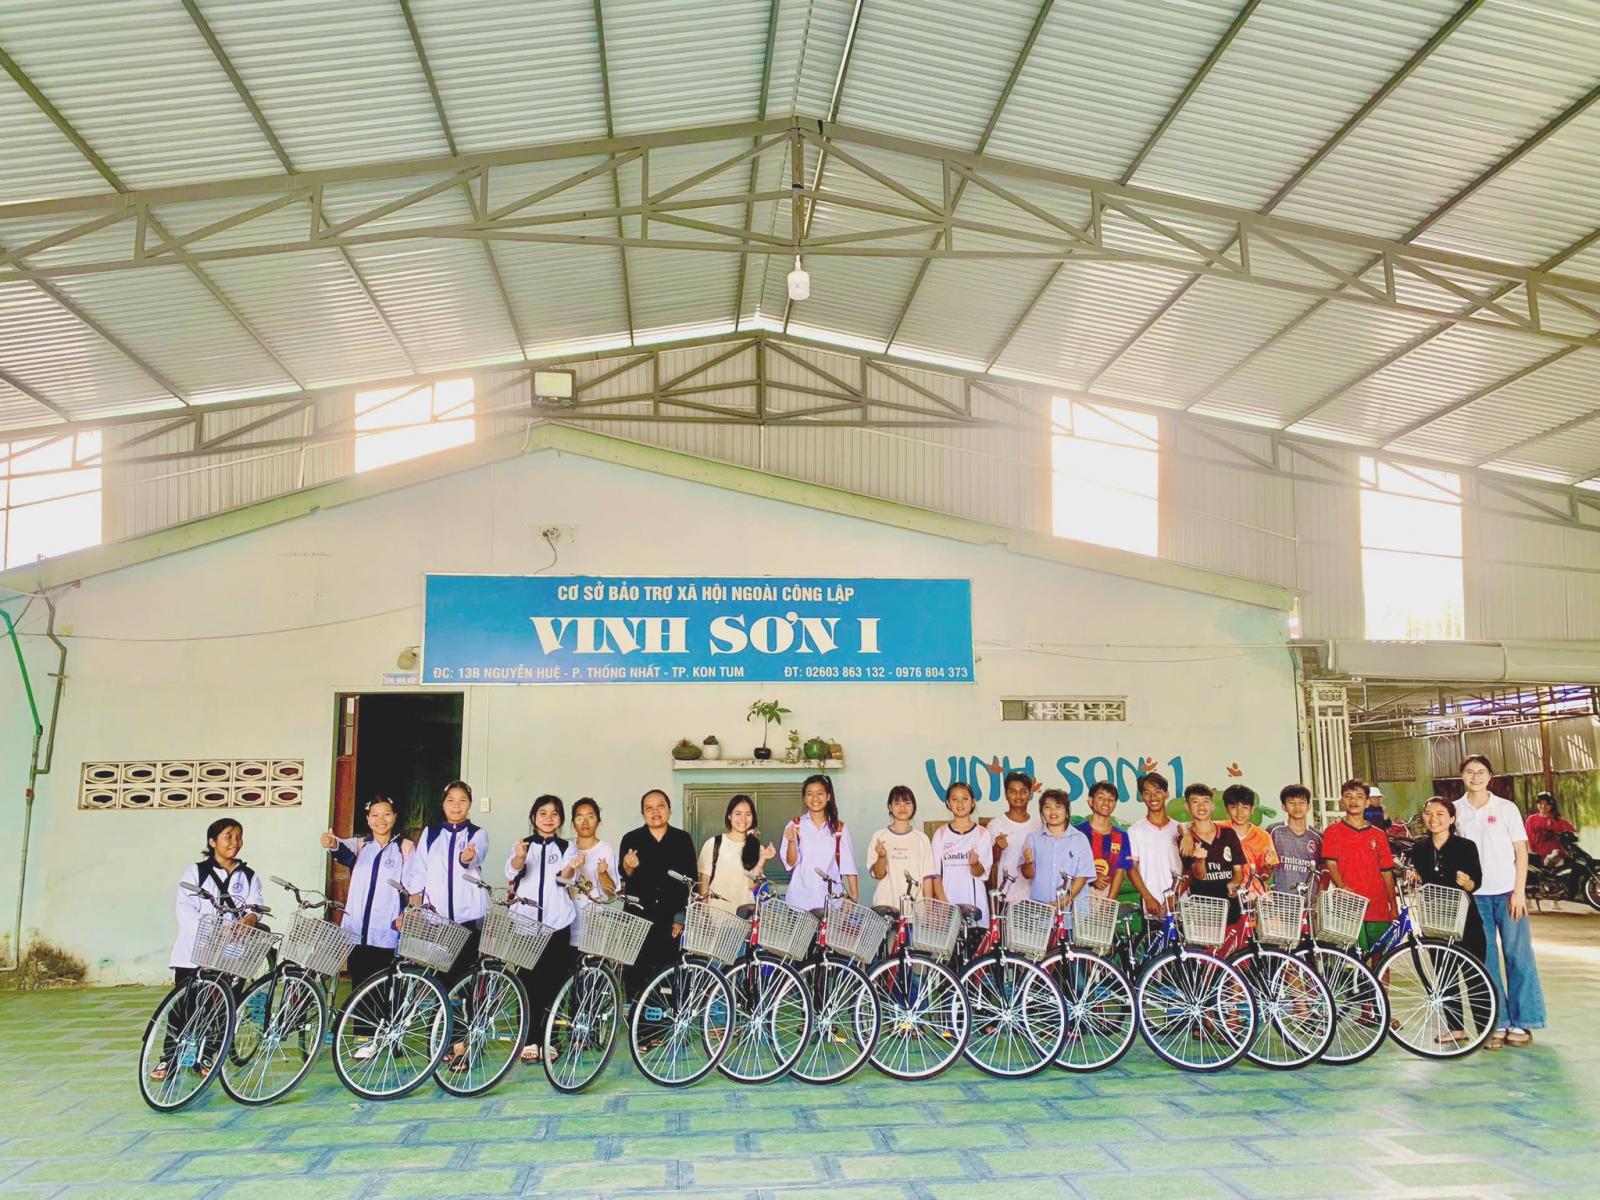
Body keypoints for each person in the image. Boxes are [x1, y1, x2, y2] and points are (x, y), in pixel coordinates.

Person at [155, 818, 263, 1081]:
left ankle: (207, 1055)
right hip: (195, 952)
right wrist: (214, 931)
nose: (234, 842)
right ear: (212, 842)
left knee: (221, 1007)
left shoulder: (248, 876)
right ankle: (169, 1058)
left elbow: (255, 905)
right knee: (183, 1007)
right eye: (228, 836)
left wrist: (250, 918)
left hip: (231, 953)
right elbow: (185, 910)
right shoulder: (196, 872)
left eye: (238, 836)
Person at [1453, 755, 1545, 1049]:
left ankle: (1524, 1021)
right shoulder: (1456, 811)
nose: (1475, 777)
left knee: (1519, 957)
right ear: (1462, 776)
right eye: (1470, 772)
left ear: (1490, 777)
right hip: (1474, 897)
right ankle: (1497, 1021)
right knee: (1485, 961)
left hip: (1507, 894)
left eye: (1481, 772)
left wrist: (1519, 891)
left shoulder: (1506, 808)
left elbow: (1521, 852)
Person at [1410, 795, 1491, 1044]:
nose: (1433, 818)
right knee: (1444, 976)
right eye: (1428, 813)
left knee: (1474, 975)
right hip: (1435, 921)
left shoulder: (1466, 847)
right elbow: (1420, 875)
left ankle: (1485, 1030)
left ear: (1452, 819)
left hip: (1466, 920)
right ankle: (1456, 1028)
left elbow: (1476, 881)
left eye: (1440, 814)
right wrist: (1414, 875)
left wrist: (1468, 883)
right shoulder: (1419, 847)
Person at [506, 795, 581, 1064]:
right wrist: (519, 857)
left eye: (554, 813)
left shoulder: (566, 846)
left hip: (557, 923)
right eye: (543, 813)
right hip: (525, 923)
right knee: (527, 982)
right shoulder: (523, 845)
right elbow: (513, 872)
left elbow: (564, 880)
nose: (549, 818)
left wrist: (571, 867)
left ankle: (551, 1040)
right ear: (533, 817)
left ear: (560, 819)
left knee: (553, 984)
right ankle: (528, 1039)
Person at [401, 779, 489, 988]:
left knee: (466, 977)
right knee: (436, 978)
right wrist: (414, 905)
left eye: (462, 800)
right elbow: (419, 870)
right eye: (451, 800)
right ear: (443, 804)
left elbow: (477, 854)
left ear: (470, 804)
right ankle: (442, 1009)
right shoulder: (431, 833)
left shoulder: (477, 833)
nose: (456, 805)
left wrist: (467, 857)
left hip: (469, 916)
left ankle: (466, 1009)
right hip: (436, 917)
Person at [321, 796, 413, 993]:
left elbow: (413, 886)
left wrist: (408, 913)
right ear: (368, 819)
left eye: (386, 814)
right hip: (358, 932)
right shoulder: (360, 845)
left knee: (384, 989)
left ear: (395, 817)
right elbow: (341, 850)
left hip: (387, 931)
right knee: (359, 990)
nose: (381, 820)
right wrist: (332, 843)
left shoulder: (404, 848)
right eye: (375, 815)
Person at [618, 788, 697, 996]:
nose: (655, 811)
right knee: (637, 977)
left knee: (670, 978)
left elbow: (691, 882)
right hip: (638, 919)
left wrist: (682, 917)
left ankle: (667, 1017)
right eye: (649, 808)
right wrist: (628, 866)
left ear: (669, 810)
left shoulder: (683, 839)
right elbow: (624, 875)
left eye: (660, 806)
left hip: (671, 921)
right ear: (643, 813)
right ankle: (637, 1016)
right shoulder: (631, 839)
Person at [1319, 778, 1396, 951]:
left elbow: (1386, 872)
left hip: (1378, 906)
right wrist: (1342, 887)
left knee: (1382, 955)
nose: (1353, 801)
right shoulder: (1332, 831)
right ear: (1342, 801)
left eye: (1359, 796)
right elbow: (1331, 864)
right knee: (1354, 956)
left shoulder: (1379, 835)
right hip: (1348, 905)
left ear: (1367, 802)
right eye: (1348, 796)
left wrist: (1393, 905)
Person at [781, 774, 859, 910]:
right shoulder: (795, 825)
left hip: (832, 902)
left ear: (828, 797)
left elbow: (849, 865)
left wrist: (853, 897)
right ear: (804, 799)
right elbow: (790, 863)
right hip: (799, 902)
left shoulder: (839, 828)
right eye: (809, 794)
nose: (815, 798)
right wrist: (792, 842)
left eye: (820, 793)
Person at [928, 781, 993, 929]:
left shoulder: (982, 833)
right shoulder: (940, 834)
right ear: (948, 803)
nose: (960, 803)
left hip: (975, 904)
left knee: (976, 943)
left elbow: (981, 873)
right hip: (948, 905)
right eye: (955, 799)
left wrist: (975, 864)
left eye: (965, 798)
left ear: (973, 802)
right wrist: (943, 902)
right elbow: (935, 874)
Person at [1179, 784, 1245, 925]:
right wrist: (1199, 860)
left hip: (1230, 905)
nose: (1201, 806)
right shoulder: (1185, 840)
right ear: (1187, 806)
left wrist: (1235, 883)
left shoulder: (1228, 834)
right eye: (1195, 802)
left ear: (1213, 806)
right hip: (1202, 908)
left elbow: (1239, 871)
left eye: (1206, 801)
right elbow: (1199, 875)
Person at [699, 794, 775, 914]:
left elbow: (752, 886)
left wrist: (762, 860)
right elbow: (704, 880)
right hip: (715, 917)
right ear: (729, 816)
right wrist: (703, 914)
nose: (743, 818)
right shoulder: (713, 844)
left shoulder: (758, 848)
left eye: (748, 814)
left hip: (744, 917)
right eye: (738, 814)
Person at [1020, 788, 1094, 912]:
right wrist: (1028, 863)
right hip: (1041, 909)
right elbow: (1028, 875)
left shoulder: (1080, 839)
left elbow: (1083, 875)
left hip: (1072, 911)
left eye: (1058, 806)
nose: (1053, 812)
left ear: (1067, 811)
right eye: (1047, 807)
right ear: (1042, 812)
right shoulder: (1033, 838)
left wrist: (1066, 901)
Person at [866, 786, 936, 909]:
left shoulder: (922, 839)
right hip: (886, 907)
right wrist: (882, 856)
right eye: (897, 803)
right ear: (890, 807)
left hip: (916, 910)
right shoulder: (879, 837)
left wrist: (929, 909)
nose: (902, 807)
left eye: (907, 803)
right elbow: (878, 875)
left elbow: (927, 878)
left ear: (914, 807)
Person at [1127, 771, 1182, 919]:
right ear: (1142, 797)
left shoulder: (1180, 829)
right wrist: (1148, 897)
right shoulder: (1135, 831)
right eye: (1147, 793)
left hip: (1180, 904)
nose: (1153, 797)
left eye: (1158, 792)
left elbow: (1188, 869)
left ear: (1166, 794)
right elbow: (1131, 869)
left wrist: (1176, 895)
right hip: (1153, 906)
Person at [987, 771, 1042, 907]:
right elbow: (988, 862)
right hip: (1006, 896)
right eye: (1013, 791)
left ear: (1030, 794)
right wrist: (997, 848)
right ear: (1006, 795)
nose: (1018, 796)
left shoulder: (1039, 826)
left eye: (1023, 791)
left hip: (1035, 895)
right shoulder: (996, 825)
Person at [568, 797, 617, 939]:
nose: (585, 822)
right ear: (573, 823)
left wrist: (602, 874)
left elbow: (611, 894)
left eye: (590, 817)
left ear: (598, 822)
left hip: (595, 924)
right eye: (579, 818)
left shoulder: (606, 848)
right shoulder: (566, 847)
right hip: (566, 921)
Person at [1075, 781, 1132, 898]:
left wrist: (1110, 901)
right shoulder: (1076, 832)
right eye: (1100, 797)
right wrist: (1091, 878)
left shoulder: (1122, 836)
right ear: (1091, 801)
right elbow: (1068, 867)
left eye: (1111, 799)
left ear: (1115, 804)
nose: (1106, 802)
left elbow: (1119, 872)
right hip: (1077, 894)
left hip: (1106, 897)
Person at [1221, 784, 1278, 894]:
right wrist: (1187, 835)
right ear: (1226, 809)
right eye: (1234, 807)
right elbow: (1191, 826)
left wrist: (1268, 867)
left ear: (1252, 810)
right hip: (1225, 893)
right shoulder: (1217, 829)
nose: (1240, 813)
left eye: (1245, 808)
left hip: (1255, 894)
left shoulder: (1264, 837)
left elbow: (1265, 877)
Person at [1268, 785, 1321, 896]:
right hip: (1280, 898)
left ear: (1309, 806)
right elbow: (1264, 864)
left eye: (1302, 802)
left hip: (1309, 900)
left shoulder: (1317, 837)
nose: (1297, 807)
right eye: (1291, 803)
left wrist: (1319, 893)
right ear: (1284, 807)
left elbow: (1325, 869)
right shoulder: (1274, 831)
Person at [1526, 792, 1576, 866]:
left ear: (1552, 805)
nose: (1543, 806)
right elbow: (1526, 839)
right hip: (1538, 858)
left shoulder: (1558, 820)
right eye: (1540, 803)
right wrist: (1531, 854)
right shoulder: (1531, 820)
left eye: (1547, 804)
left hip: (1557, 859)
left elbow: (1572, 835)